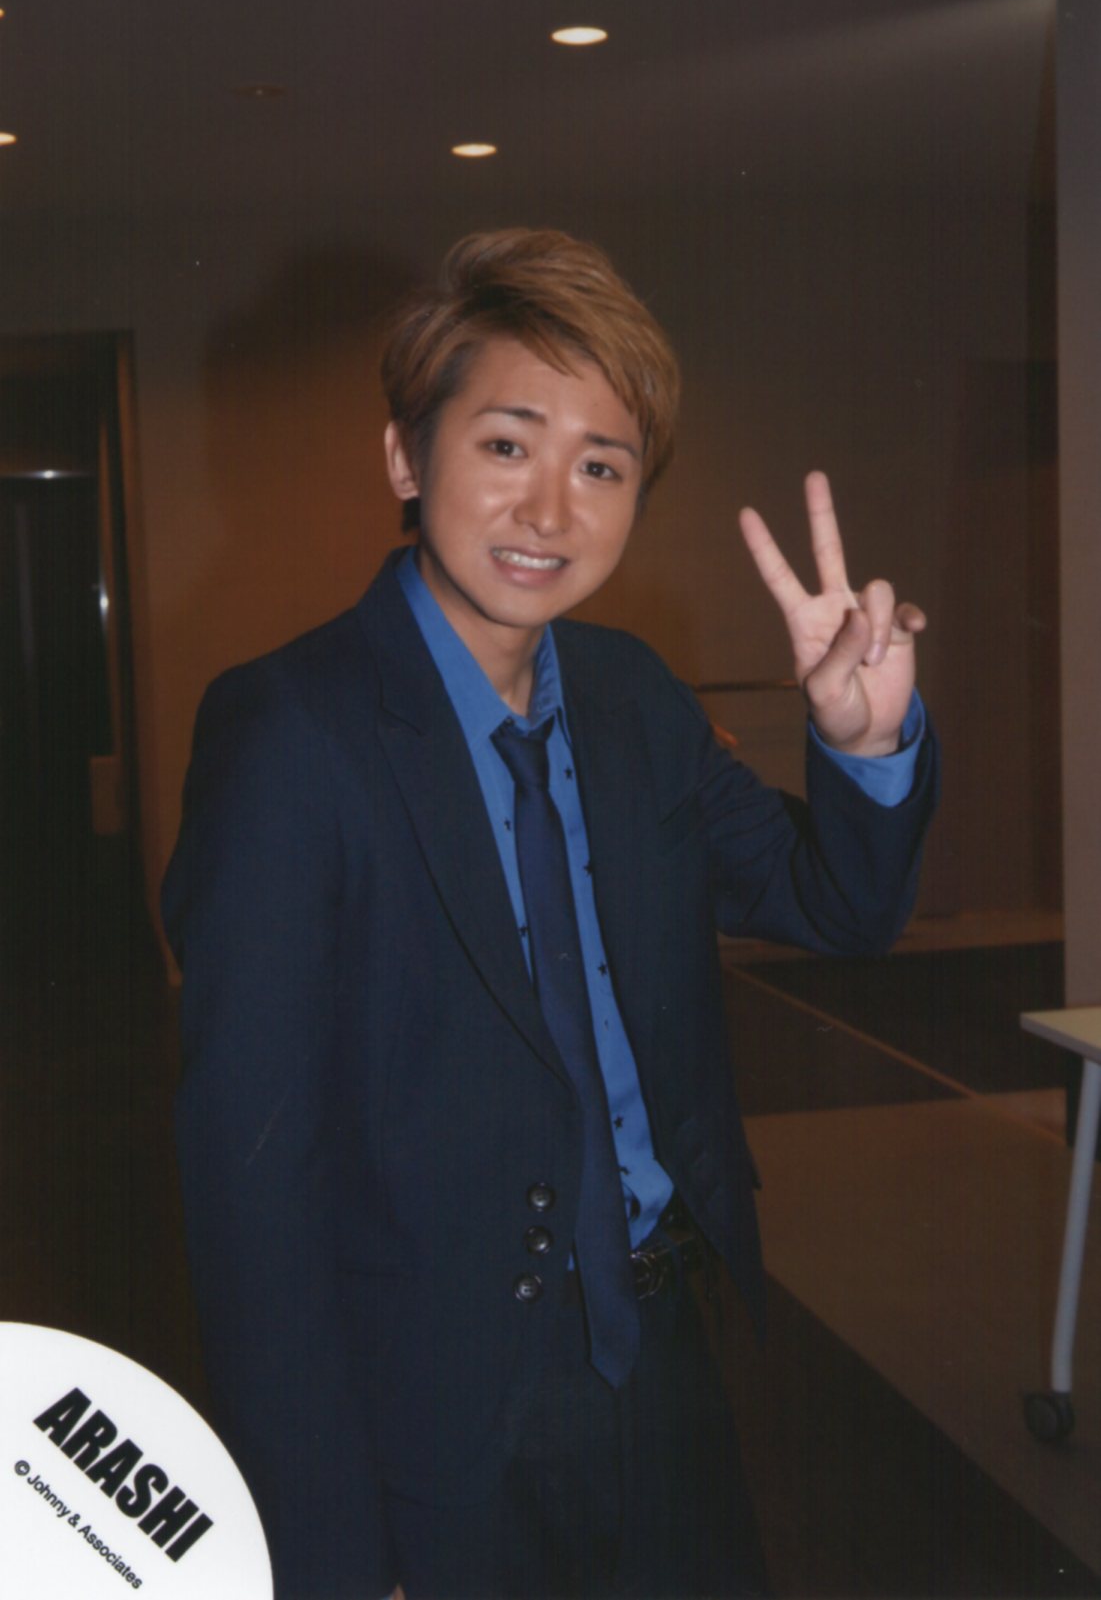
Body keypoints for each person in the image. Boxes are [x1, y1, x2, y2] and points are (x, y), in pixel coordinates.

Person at [164, 227, 938, 1600]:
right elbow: (250, 1193)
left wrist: (863, 742)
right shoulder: (291, 732)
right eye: (507, 444)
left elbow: (839, 905)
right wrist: (329, 1554)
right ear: (407, 457)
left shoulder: (634, 699)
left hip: (664, 1357)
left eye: (600, 466)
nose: (549, 511)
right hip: (431, 1410)